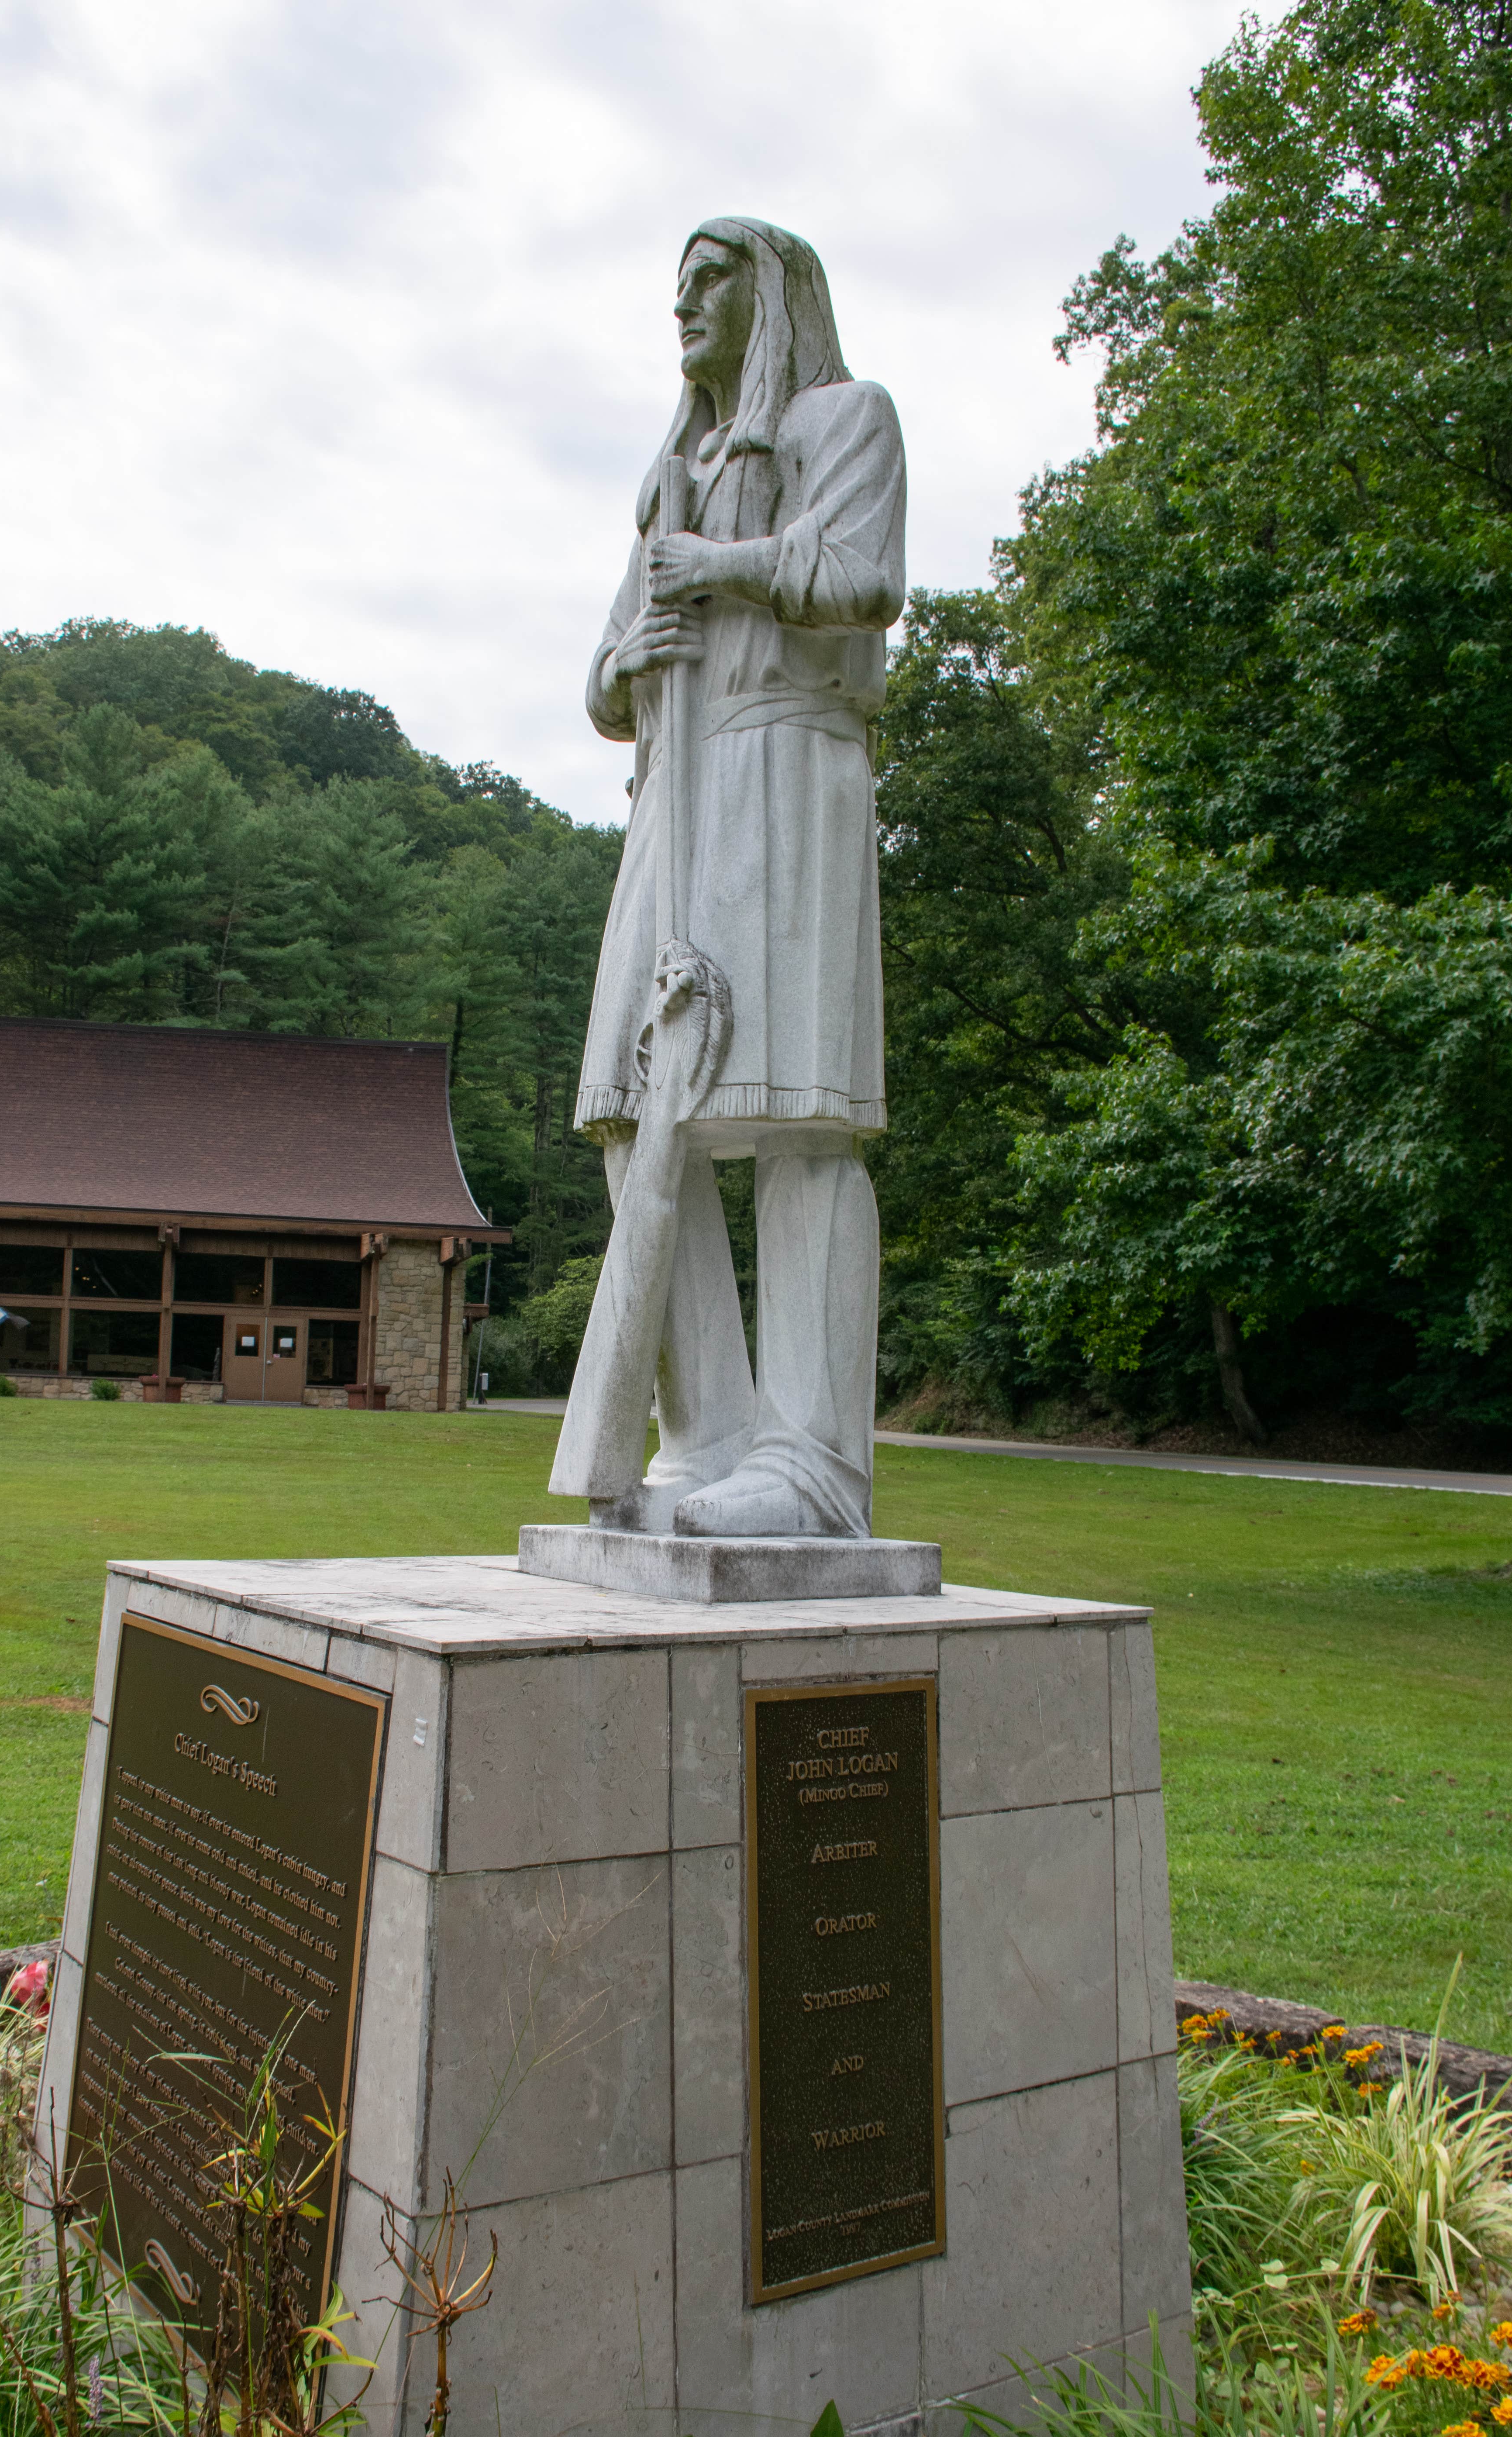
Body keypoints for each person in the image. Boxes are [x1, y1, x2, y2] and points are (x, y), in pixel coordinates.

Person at [559, 217, 906, 1540]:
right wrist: (627, 650)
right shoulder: (672, 475)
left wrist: (726, 569)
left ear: (772, 293)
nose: (685, 304)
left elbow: (865, 577)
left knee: (801, 1113)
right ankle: (711, 1439)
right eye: (679, 285)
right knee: (629, 1099)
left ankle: (813, 1469)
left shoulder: (846, 419)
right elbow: (604, 682)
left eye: (712, 279)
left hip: (785, 769)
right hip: (674, 793)